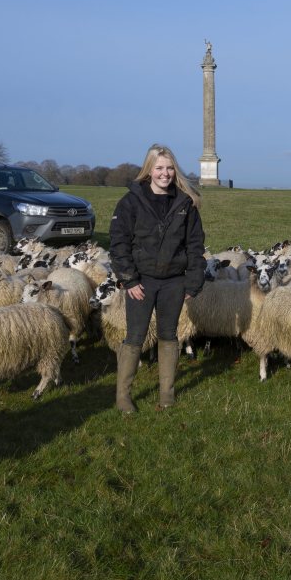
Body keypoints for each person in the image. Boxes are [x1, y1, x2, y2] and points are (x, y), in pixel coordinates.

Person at [109, 144, 206, 413]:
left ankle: (167, 393)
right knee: (135, 337)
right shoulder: (130, 202)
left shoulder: (185, 203)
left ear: (175, 170)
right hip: (142, 281)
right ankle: (123, 395)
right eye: (160, 168)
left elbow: (195, 245)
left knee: (168, 335)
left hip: (173, 281)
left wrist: (193, 281)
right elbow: (119, 243)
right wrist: (129, 279)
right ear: (149, 170)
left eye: (170, 168)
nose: (165, 173)